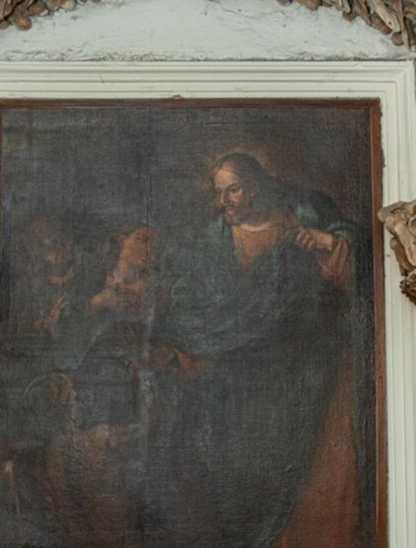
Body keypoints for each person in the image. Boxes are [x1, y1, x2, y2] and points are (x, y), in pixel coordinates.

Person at [145, 152, 356, 546]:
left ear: (255, 187)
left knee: (292, 460)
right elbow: (193, 297)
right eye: (219, 192)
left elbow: (358, 254)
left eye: (233, 190)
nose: (223, 201)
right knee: (234, 465)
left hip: (300, 365)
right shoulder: (214, 238)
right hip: (237, 372)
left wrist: (329, 242)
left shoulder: (304, 210)